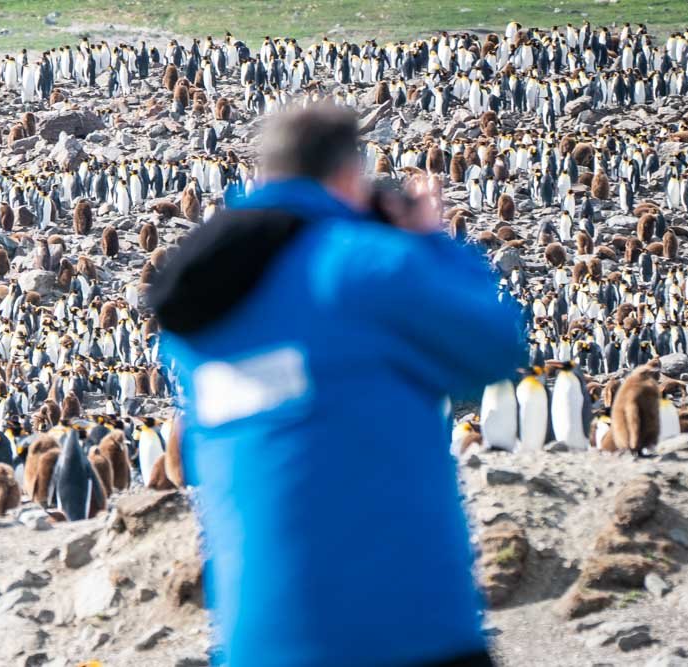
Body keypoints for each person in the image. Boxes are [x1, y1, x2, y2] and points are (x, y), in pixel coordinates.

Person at [148, 104, 524, 667]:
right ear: (350, 175)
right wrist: (429, 241)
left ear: (266, 174)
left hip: (257, 647)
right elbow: (496, 346)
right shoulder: (361, 265)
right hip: (404, 630)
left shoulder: (197, 310)